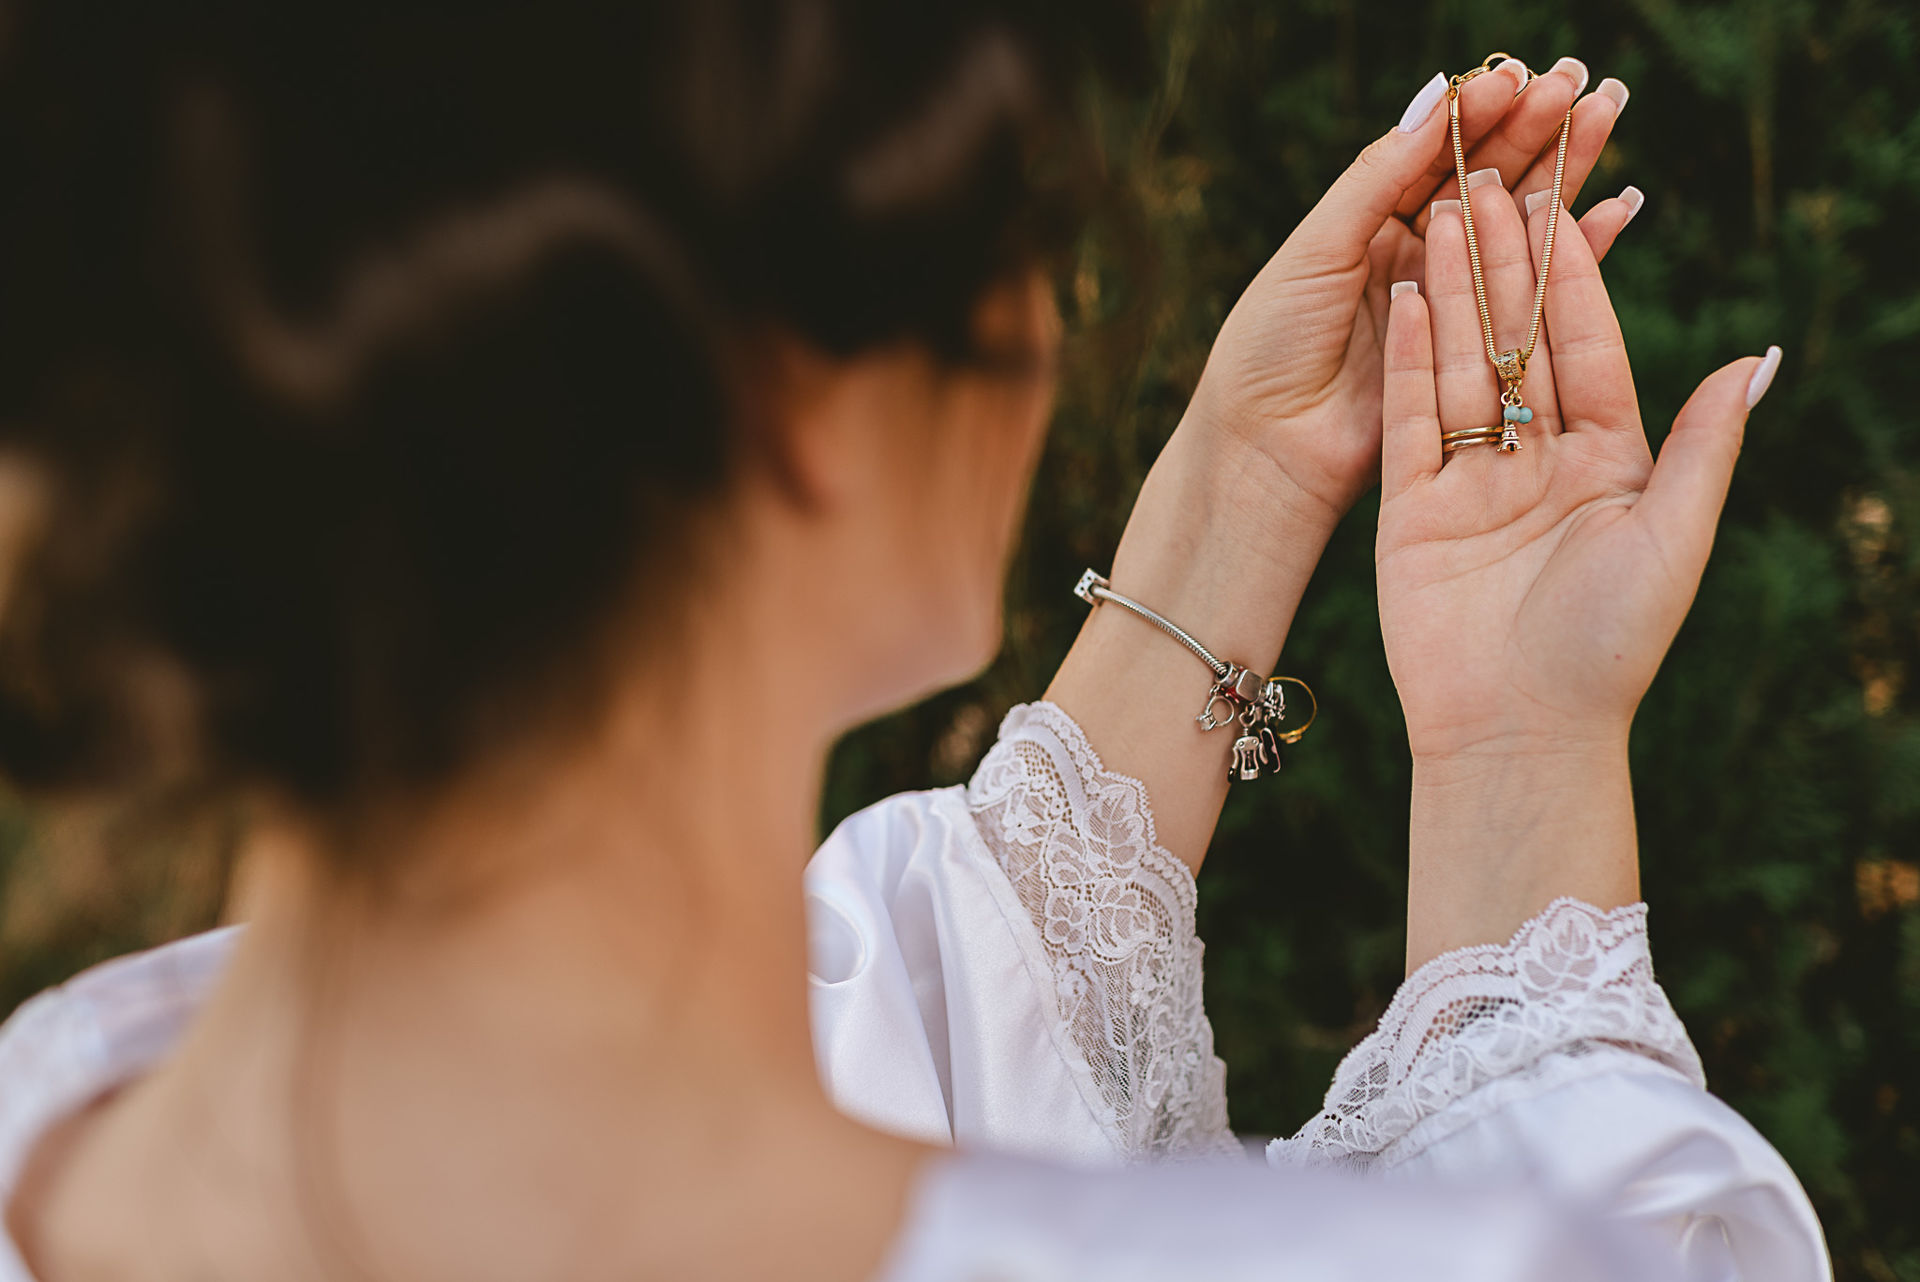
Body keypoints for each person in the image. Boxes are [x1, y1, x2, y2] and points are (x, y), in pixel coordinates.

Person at [0, 3, 1826, 1279]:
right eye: (1023, 221)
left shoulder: (58, 1118)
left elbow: (901, 1019)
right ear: (820, 391)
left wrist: (1243, 488)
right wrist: (1519, 741)